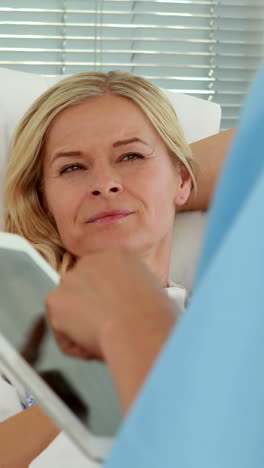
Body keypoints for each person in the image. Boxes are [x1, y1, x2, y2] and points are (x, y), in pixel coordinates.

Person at [1, 70, 234, 466]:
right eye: (73, 168)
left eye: (131, 156)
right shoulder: (12, 318)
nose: (105, 183)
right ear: (43, 199)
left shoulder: (226, 328)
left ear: (183, 180)